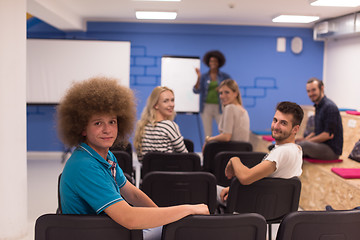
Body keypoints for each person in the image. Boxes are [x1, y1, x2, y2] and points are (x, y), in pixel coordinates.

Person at [58, 77, 209, 240]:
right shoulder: (85, 165)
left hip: (109, 230)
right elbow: (128, 218)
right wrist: (187, 209)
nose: (107, 129)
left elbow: (133, 195)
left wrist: (164, 221)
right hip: (98, 234)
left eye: (112, 122)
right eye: (97, 123)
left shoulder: (105, 156)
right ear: (82, 128)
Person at [219, 101, 304, 203]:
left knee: (208, 190)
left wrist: (233, 160)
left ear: (295, 129)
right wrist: (234, 188)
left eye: (283, 123)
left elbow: (246, 177)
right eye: (275, 120)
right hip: (271, 206)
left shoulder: (282, 152)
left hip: (254, 207)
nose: (276, 126)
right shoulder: (297, 150)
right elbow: (266, 183)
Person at [134, 86, 188, 161]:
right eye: (166, 101)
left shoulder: (142, 126)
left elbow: (141, 159)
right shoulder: (169, 126)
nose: (171, 104)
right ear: (156, 105)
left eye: (172, 100)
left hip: (149, 172)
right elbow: (185, 156)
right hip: (169, 171)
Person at [296, 78, 343, 160]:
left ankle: (282, 153)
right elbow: (316, 132)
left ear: (322, 88)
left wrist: (306, 142)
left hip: (331, 151)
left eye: (313, 90)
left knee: (304, 145)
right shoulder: (318, 106)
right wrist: (304, 139)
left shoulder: (330, 107)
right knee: (297, 142)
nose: (310, 93)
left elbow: (328, 135)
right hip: (320, 145)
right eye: (308, 91)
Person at [193, 50, 231, 139]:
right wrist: (198, 78)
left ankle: (223, 151)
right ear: (208, 63)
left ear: (219, 63)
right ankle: (208, 150)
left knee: (223, 130)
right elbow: (196, 91)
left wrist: (222, 89)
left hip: (220, 107)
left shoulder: (224, 76)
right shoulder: (204, 77)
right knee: (207, 133)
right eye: (211, 61)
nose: (213, 63)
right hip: (206, 107)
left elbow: (232, 88)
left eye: (215, 61)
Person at [204, 79, 250, 145]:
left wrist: (208, 139)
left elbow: (226, 137)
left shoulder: (230, 108)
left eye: (227, 92)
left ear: (235, 93)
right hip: (240, 152)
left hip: (230, 152)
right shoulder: (244, 110)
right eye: (220, 93)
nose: (222, 96)